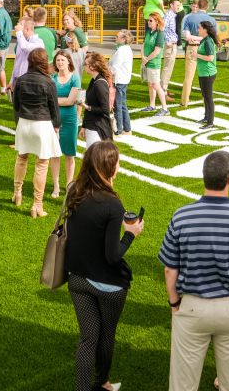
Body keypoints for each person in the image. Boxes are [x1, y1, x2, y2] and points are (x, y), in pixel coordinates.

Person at [159, 150, 229, 391]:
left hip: (193, 306)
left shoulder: (181, 216)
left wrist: (174, 303)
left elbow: (170, 269)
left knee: (182, 385)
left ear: (203, 177)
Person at [64, 140, 143, 391]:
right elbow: (112, 255)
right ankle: (102, 383)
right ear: (109, 167)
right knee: (106, 335)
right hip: (107, 285)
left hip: (77, 278)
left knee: (88, 338)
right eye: (117, 162)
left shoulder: (73, 190)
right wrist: (131, 233)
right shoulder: (112, 204)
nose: (119, 166)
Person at [11, 48, 61, 217]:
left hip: (24, 122)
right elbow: (54, 107)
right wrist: (57, 126)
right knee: (41, 164)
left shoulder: (21, 80)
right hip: (42, 124)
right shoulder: (48, 81)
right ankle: (37, 204)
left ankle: (17, 193)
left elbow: (16, 105)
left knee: (21, 158)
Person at [52, 50, 84, 196]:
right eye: (58, 60)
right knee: (55, 154)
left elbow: (72, 101)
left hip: (70, 120)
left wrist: (54, 101)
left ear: (69, 62)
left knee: (70, 154)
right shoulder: (52, 78)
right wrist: (61, 102)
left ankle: (69, 185)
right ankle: (56, 186)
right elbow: (65, 100)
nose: (60, 63)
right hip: (54, 120)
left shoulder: (74, 78)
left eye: (62, 60)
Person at [180, 0, 213, 106]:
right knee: (206, 75)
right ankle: (207, 99)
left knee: (188, 77)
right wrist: (201, 38)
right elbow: (213, 36)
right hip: (206, 47)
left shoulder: (189, 18)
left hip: (192, 47)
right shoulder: (211, 19)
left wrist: (196, 39)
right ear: (207, 7)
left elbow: (187, 36)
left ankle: (184, 101)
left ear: (198, 6)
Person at [139, 13, 171, 116]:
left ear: (157, 22)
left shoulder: (160, 34)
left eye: (151, 20)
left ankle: (165, 108)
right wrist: (143, 56)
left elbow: (157, 51)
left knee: (156, 85)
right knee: (150, 85)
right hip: (147, 62)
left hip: (154, 63)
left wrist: (146, 59)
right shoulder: (149, 31)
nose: (148, 22)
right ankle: (152, 105)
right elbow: (143, 45)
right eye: (148, 20)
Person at [81, 53, 115, 146]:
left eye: (85, 64)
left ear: (92, 66)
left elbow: (105, 109)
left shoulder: (99, 84)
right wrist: (84, 126)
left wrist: (88, 107)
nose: (84, 66)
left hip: (99, 128)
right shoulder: (93, 81)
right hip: (92, 125)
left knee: (95, 158)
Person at [193, 20, 221, 129]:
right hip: (203, 72)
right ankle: (206, 117)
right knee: (205, 96)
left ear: (205, 30)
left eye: (199, 28)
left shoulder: (208, 41)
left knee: (208, 98)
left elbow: (210, 58)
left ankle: (210, 122)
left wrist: (197, 55)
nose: (198, 30)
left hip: (208, 73)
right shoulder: (204, 40)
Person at [109, 30, 134, 136]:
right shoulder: (126, 49)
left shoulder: (121, 50)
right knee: (122, 104)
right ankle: (127, 128)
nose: (116, 38)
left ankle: (119, 130)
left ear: (124, 39)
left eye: (117, 36)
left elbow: (115, 67)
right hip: (123, 79)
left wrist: (107, 71)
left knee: (118, 105)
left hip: (119, 80)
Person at [11, 17, 45, 88]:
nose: (18, 28)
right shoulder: (21, 41)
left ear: (27, 29)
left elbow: (25, 47)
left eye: (20, 27)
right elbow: (17, 62)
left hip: (31, 81)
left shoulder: (39, 42)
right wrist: (12, 81)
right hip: (19, 80)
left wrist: (19, 33)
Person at [160, 0, 182, 97]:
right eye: (177, 5)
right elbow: (162, 29)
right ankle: (163, 90)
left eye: (179, 5)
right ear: (171, 5)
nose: (178, 7)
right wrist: (166, 41)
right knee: (167, 68)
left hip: (172, 45)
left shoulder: (172, 15)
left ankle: (164, 88)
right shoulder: (168, 15)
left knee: (169, 68)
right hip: (170, 46)